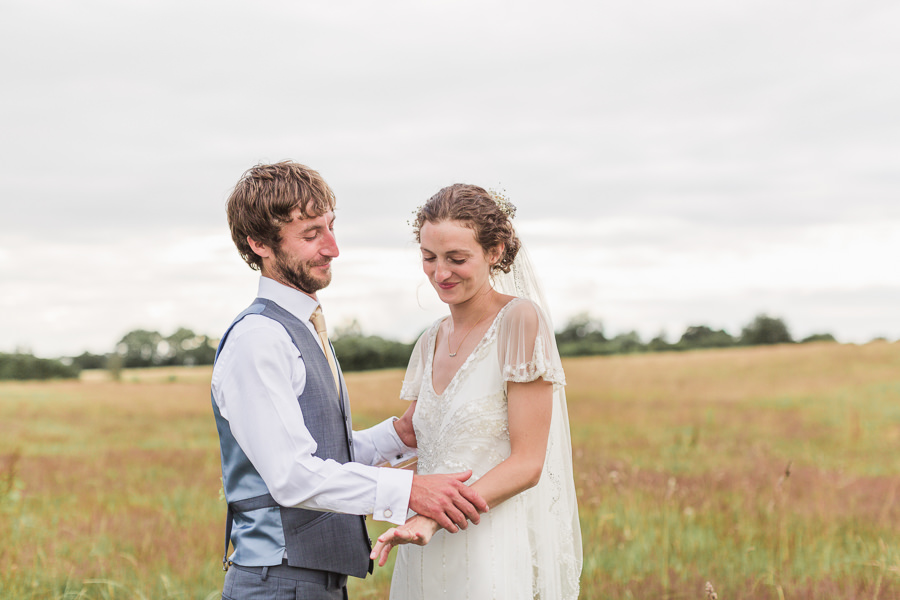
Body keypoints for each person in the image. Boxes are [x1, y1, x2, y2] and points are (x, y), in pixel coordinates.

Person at [211, 162, 488, 600]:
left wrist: (397, 435)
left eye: (331, 227)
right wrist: (410, 490)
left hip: (312, 584)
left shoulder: (303, 328)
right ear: (259, 243)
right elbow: (292, 476)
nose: (333, 248)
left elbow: (320, 454)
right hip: (277, 584)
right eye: (311, 235)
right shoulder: (258, 339)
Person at [370, 184, 583, 599]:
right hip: (420, 545)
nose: (440, 273)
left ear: (495, 251)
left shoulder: (519, 321)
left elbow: (527, 463)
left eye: (456, 258)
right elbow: (424, 448)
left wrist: (434, 517)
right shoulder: (428, 341)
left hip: (489, 548)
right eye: (429, 257)